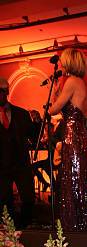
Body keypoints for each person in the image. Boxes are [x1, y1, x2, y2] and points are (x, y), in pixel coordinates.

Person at [49, 48, 87, 231]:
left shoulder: (72, 81)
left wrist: (56, 88)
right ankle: (81, 227)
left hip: (71, 136)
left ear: (69, 63)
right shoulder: (86, 87)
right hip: (81, 135)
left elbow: (53, 109)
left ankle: (70, 228)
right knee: (79, 183)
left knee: (70, 183)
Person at [0, 77, 38, 228]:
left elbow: (32, 135)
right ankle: (9, 229)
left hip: (21, 164)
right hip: (2, 166)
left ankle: (24, 227)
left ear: (6, 92)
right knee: (4, 200)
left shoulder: (21, 113)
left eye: (1, 91)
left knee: (28, 198)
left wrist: (37, 124)